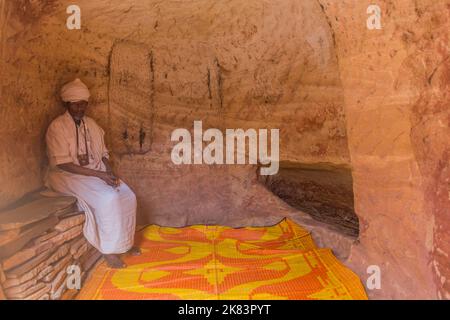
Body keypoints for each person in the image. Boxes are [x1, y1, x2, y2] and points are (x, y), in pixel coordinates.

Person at [45, 78, 140, 269]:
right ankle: (108, 251)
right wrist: (99, 176)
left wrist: (109, 171)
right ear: (68, 103)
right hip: (66, 176)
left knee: (128, 196)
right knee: (108, 199)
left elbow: (103, 153)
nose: (81, 108)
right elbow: (63, 164)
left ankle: (123, 244)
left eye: (83, 104)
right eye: (76, 104)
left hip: (95, 173)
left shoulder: (92, 124)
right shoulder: (57, 127)